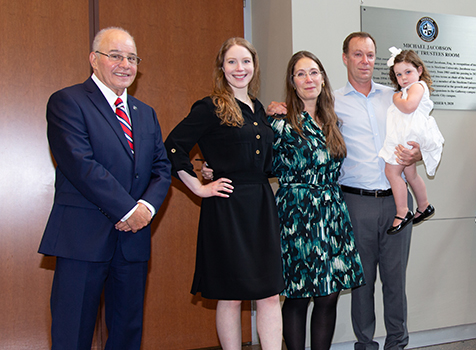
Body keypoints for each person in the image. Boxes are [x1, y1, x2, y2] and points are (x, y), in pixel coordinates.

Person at [39, 27, 171, 349]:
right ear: (94, 60)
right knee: (73, 334)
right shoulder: (67, 102)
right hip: (82, 238)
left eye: (132, 58)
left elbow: (161, 169)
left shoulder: (145, 113)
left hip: (133, 242)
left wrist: (145, 210)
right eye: (115, 56)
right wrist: (129, 209)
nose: (125, 64)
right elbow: (81, 165)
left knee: (127, 333)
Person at [164, 37, 284, 350]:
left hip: (260, 205)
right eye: (232, 61)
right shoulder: (210, 107)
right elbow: (173, 147)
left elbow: (263, 161)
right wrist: (199, 186)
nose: (239, 68)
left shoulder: (258, 109)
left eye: (245, 61)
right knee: (231, 296)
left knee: (270, 293)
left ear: (254, 66)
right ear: (222, 67)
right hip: (227, 208)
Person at [271, 50, 365, 350]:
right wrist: (212, 167)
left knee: (328, 295)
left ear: (323, 78)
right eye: (300, 73)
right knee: (297, 294)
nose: (308, 79)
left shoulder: (334, 120)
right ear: (292, 81)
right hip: (296, 215)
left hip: (332, 212)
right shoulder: (280, 122)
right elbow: (254, 158)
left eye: (313, 72)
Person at [336, 32, 421, 350]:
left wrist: (418, 154)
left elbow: (420, 136)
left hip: (396, 201)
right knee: (362, 282)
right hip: (355, 202)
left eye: (370, 55)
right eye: (358, 55)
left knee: (395, 281)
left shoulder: (397, 97)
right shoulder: (332, 101)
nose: (365, 61)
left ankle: (397, 343)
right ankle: (365, 344)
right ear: (345, 58)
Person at [379, 48, 444, 233]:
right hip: (408, 135)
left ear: (419, 70)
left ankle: (402, 211)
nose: (404, 78)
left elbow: (409, 107)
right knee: (410, 175)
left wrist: (396, 98)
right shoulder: (408, 88)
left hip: (409, 136)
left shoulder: (417, 87)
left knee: (391, 172)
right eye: (399, 74)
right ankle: (424, 206)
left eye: (408, 72)